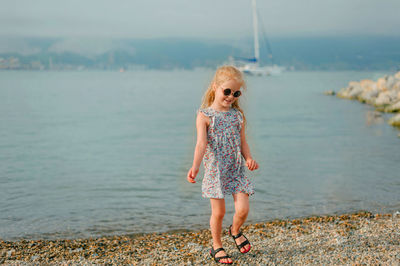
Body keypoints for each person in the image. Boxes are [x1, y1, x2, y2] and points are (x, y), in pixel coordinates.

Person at [187, 65, 259, 264]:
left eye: (236, 93)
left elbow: (243, 142)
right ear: (214, 87)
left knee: (243, 210)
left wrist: (249, 158)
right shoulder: (205, 116)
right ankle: (217, 246)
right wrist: (195, 167)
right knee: (219, 212)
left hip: (236, 170)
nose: (230, 96)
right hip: (215, 171)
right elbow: (201, 144)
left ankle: (235, 230)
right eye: (226, 91)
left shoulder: (237, 116)